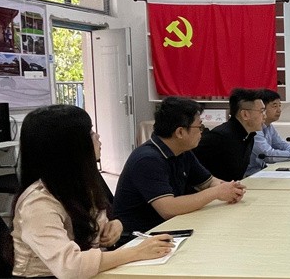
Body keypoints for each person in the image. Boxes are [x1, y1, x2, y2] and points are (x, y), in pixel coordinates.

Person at [12, 105, 174, 278]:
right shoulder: (37, 204)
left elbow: (92, 234)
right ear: (69, 147)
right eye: (90, 133)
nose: (97, 137)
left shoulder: (79, 184)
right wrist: (136, 252)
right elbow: (70, 267)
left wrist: (114, 227)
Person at [113, 97, 246, 235]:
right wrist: (217, 192)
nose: (202, 131)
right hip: (139, 236)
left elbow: (207, 182)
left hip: (168, 228)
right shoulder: (147, 159)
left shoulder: (182, 151)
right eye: (199, 127)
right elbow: (168, 209)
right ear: (180, 132)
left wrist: (230, 189)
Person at [193, 88, 265, 181]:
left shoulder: (249, 136)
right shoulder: (219, 137)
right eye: (261, 111)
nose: (265, 116)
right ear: (245, 114)